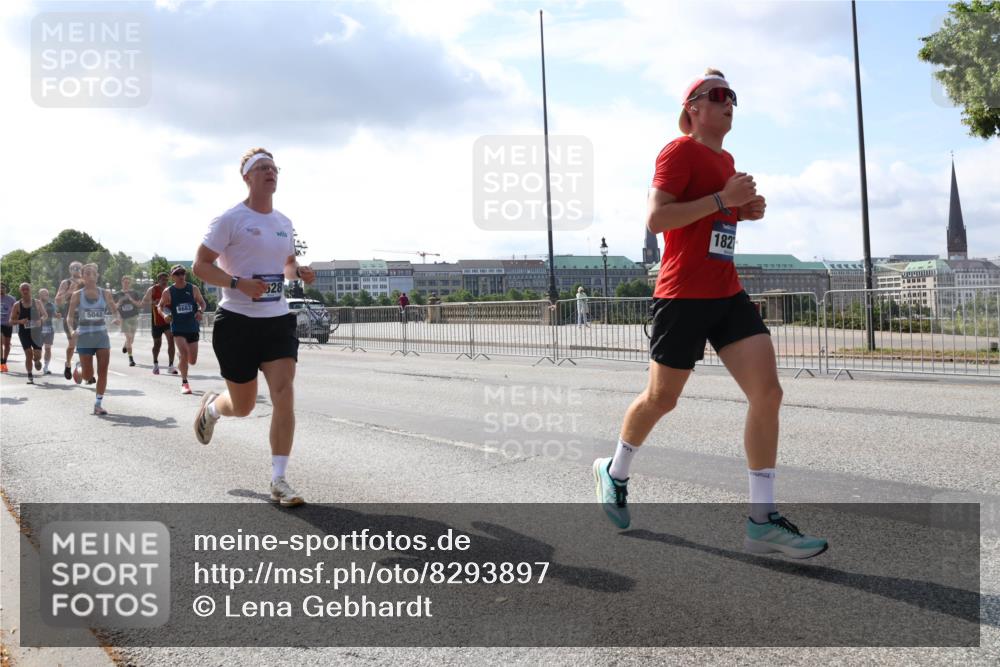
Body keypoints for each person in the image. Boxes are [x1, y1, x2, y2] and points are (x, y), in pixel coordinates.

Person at [592, 69, 827, 559]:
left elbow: (714, 220)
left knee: (768, 393)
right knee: (662, 399)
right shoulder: (677, 151)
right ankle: (614, 471)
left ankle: (762, 521)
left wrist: (742, 211)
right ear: (693, 107)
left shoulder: (726, 161)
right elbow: (657, 218)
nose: (728, 102)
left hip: (727, 293)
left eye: (732, 95)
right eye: (717, 95)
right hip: (682, 296)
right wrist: (725, 199)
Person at [192, 147, 316, 507]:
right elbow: (201, 265)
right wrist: (237, 283)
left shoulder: (283, 223)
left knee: (284, 393)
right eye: (262, 167)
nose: (270, 172)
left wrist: (298, 272)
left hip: (277, 320)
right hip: (236, 323)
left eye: (273, 168)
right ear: (247, 176)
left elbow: (287, 264)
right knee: (244, 406)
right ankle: (212, 409)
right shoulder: (230, 219)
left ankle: (279, 480)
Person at [67, 263, 120, 415]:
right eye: (87, 273)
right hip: (84, 336)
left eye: (94, 273)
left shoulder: (105, 293)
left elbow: (115, 311)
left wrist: (117, 318)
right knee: (88, 376)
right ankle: (79, 369)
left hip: (101, 336)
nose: (91, 276)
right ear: (83, 276)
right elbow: (69, 317)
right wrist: (71, 330)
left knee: (103, 371)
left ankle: (98, 404)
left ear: (97, 276)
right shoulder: (77, 295)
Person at [157, 265, 206, 395]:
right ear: (172, 276)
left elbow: (202, 303)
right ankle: (185, 383)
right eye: (177, 274)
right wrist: (165, 315)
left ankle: (181, 356)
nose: (180, 276)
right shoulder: (168, 291)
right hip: (178, 327)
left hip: (192, 327)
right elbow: (160, 306)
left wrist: (200, 311)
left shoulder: (193, 289)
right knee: (184, 353)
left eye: (182, 273)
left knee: (192, 361)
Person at [9, 283, 46, 383]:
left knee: (37, 354)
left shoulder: (37, 302)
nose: (25, 291)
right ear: (20, 291)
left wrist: (40, 320)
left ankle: (37, 360)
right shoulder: (17, 305)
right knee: (28, 354)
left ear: (30, 290)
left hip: (37, 332)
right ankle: (30, 375)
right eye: (23, 289)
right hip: (24, 333)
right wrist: (20, 321)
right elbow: (11, 321)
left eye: (27, 289)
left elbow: (45, 315)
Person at [142, 272, 177, 375]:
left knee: (171, 340)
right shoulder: (153, 289)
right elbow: (144, 301)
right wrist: (153, 302)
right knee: (157, 344)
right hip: (156, 321)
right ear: (158, 280)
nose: (164, 282)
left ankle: (171, 365)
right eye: (162, 280)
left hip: (167, 319)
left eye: (166, 280)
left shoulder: (170, 290)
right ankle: (155, 364)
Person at [54, 260, 84, 379]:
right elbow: (58, 301)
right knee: (72, 344)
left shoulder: (86, 281)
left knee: (85, 344)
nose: (76, 270)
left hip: (85, 316)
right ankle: (68, 364)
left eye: (78, 268)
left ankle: (83, 369)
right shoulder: (66, 282)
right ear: (70, 270)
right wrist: (70, 291)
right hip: (70, 317)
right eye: (74, 268)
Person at [115, 275, 142, 367]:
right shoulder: (118, 294)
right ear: (122, 283)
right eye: (125, 282)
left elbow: (139, 305)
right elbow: (114, 307)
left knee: (131, 339)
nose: (126, 284)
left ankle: (125, 345)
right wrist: (120, 301)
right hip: (124, 319)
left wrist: (131, 299)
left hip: (133, 317)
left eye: (128, 283)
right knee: (129, 337)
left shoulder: (134, 293)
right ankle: (131, 359)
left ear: (130, 284)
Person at [37, 288, 59, 374]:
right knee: (38, 350)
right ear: (40, 295)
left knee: (48, 349)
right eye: (44, 294)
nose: (46, 295)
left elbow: (55, 314)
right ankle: (37, 360)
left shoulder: (51, 305)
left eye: (47, 294)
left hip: (49, 330)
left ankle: (46, 367)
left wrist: (57, 315)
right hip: (38, 330)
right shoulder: (35, 304)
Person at [0, 283, 14, 373]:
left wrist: (13, 319)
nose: (1, 289)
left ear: (6, 289)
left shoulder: (11, 299)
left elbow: (16, 310)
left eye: (3, 288)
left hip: (8, 324)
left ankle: (4, 361)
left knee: (7, 345)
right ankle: (1, 363)